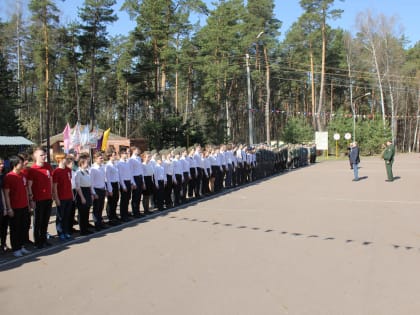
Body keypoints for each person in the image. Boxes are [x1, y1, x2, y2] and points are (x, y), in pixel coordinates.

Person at [3, 155, 32, 257]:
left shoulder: (22, 175)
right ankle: (16, 248)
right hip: (15, 207)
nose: (23, 164)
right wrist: (9, 208)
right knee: (15, 229)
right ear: (15, 165)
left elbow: (25, 190)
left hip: (24, 205)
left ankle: (21, 246)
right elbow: (6, 194)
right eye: (20, 162)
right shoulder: (9, 177)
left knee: (24, 227)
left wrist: (28, 204)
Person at [27, 147, 54, 249]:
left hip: (48, 198)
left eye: (44, 155)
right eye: (41, 155)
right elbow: (29, 186)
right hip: (38, 199)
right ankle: (37, 241)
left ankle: (44, 239)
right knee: (38, 221)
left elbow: (50, 181)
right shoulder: (33, 170)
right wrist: (31, 199)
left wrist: (52, 193)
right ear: (35, 157)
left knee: (45, 220)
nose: (44, 157)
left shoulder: (48, 167)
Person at [52, 154, 74, 240]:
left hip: (68, 196)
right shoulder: (56, 172)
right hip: (61, 197)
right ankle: (60, 232)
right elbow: (54, 187)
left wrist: (72, 195)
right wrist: (56, 198)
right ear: (60, 160)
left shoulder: (68, 170)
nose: (67, 160)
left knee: (67, 215)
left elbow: (69, 183)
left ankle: (66, 231)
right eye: (65, 158)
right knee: (60, 216)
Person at [74, 155, 93, 235]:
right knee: (82, 212)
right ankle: (82, 230)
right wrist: (82, 197)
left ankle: (86, 228)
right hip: (82, 192)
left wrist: (91, 193)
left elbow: (90, 183)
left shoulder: (87, 171)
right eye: (86, 162)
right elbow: (78, 186)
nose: (88, 163)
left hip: (87, 191)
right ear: (81, 163)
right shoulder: (78, 172)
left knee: (87, 211)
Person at [90, 151, 107, 230]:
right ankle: (97, 224)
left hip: (102, 189)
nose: (102, 159)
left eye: (102, 158)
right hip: (96, 190)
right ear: (95, 159)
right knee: (96, 208)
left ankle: (100, 222)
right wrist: (93, 193)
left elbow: (104, 179)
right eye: (100, 158)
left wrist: (105, 189)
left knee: (101, 207)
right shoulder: (93, 169)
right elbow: (91, 182)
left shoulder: (103, 167)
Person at [104, 150, 120, 225]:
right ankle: (110, 218)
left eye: (115, 155)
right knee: (111, 202)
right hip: (111, 184)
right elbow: (108, 178)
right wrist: (110, 189)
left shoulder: (115, 164)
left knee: (115, 200)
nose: (115, 156)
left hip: (116, 184)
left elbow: (117, 175)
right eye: (113, 155)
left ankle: (114, 216)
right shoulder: (108, 166)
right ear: (110, 156)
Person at [0, 157, 9, 253]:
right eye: (0, 164)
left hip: (3, 206)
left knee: (4, 227)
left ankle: (3, 244)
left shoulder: (4, 175)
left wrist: (6, 207)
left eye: (2, 163)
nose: (2, 166)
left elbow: (3, 192)